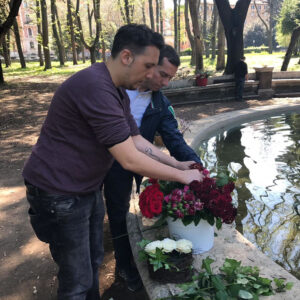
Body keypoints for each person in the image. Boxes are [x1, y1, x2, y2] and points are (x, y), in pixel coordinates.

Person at [22, 24, 203, 300]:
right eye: (148, 65)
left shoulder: (116, 90)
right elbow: (130, 158)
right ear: (127, 57)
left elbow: (138, 141)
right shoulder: (95, 87)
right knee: (76, 281)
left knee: (93, 262)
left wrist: (179, 165)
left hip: (84, 189)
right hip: (58, 194)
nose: (152, 74)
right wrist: (181, 178)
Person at [103, 45, 203, 291]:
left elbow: (174, 140)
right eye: (163, 75)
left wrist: (197, 168)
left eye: (171, 77)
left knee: (124, 212)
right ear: (149, 66)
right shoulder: (116, 89)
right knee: (111, 211)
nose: (166, 82)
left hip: (137, 162)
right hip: (105, 162)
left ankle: (129, 261)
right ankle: (122, 264)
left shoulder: (160, 102)